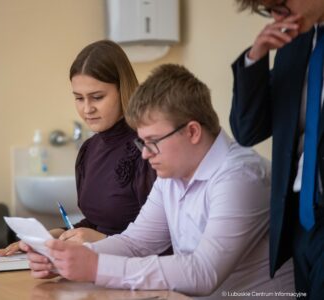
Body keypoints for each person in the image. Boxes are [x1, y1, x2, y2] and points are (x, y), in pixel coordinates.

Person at [23, 64, 295, 298]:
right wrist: (63, 260)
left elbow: (203, 272)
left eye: (153, 141)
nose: (144, 153)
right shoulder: (172, 174)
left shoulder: (240, 177)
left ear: (192, 131)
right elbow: (136, 243)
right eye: (143, 141)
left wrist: (94, 266)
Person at [0, 40, 156, 256]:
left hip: (135, 272)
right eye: (79, 98)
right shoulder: (89, 150)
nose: (87, 109)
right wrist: (54, 236)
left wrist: (103, 242)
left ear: (122, 89)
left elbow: (162, 240)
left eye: (97, 97)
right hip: (95, 268)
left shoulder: (146, 149)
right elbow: (96, 222)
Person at [229, 1, 324, 298]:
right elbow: (248, 130)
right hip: (300, 217)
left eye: (280, 5)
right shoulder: (294, 44)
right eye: (268, 10)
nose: (276, 17)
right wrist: (256, 57)